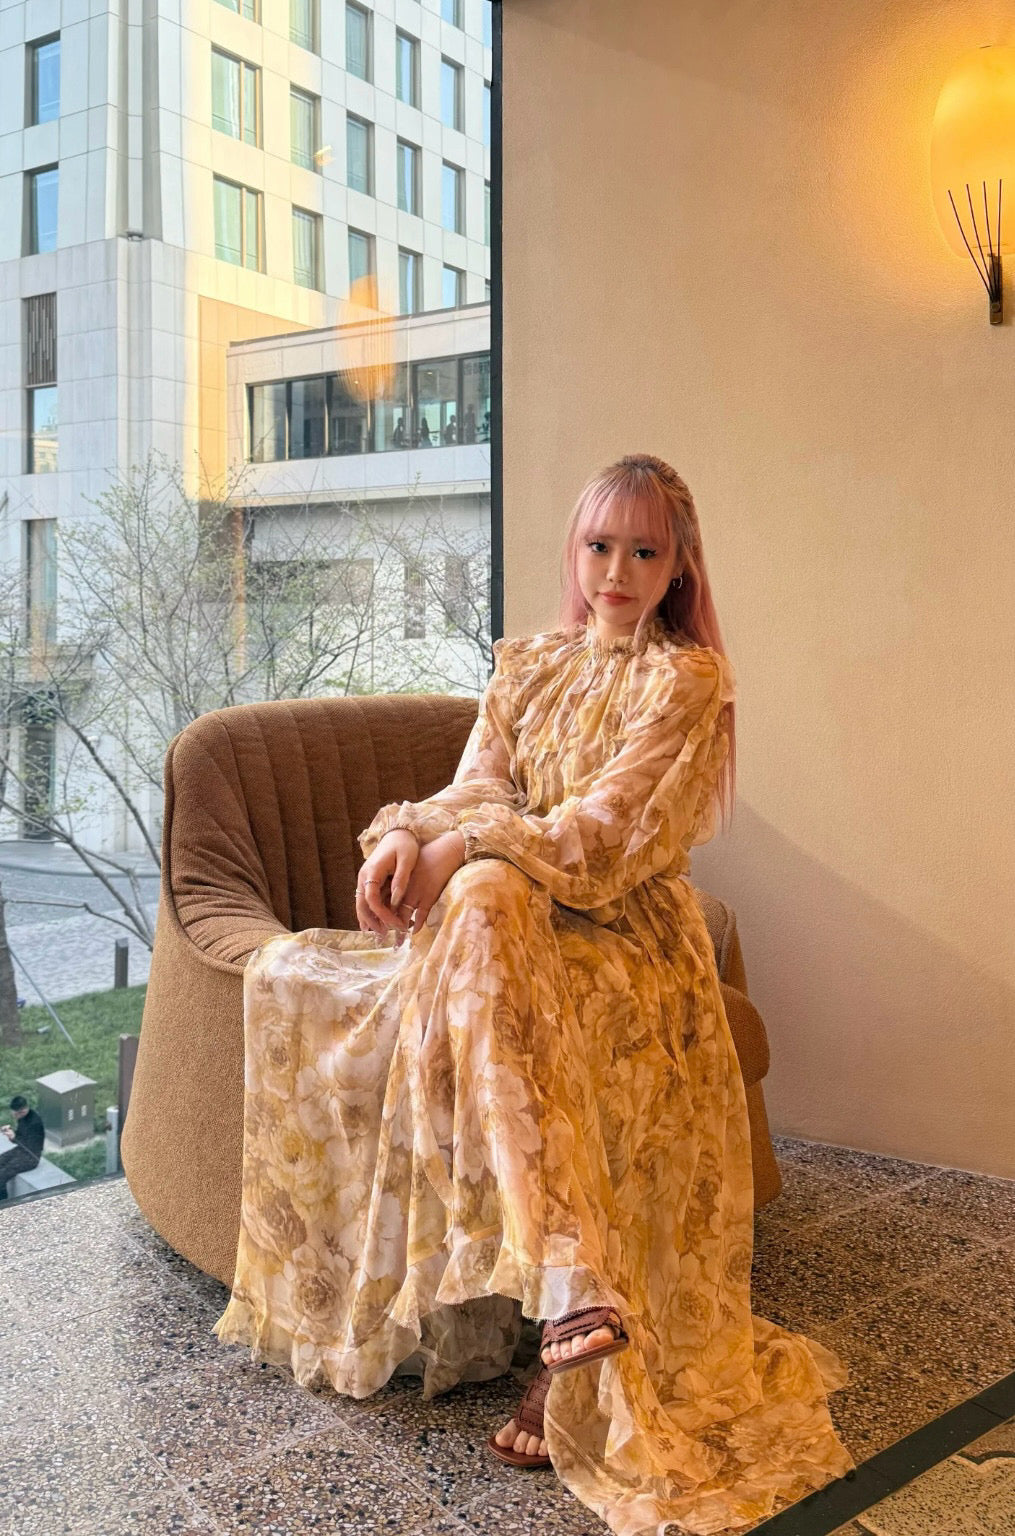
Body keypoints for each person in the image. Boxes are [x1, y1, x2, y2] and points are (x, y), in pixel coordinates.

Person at [212, 454, 856, 1534]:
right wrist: (410, 834)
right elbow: (481, 785)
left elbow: (597, 837)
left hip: (621, 931)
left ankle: (567, 1295)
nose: (616, 571)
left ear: (678, 568)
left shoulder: (684, 681)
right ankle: (570, 1292)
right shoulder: (528, 664)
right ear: (575, 550)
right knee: (474, 899)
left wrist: (462, 848)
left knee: (484, 887)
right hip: (509, 930)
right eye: (600, 546)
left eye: (643, 551)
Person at [0, 1095, 45, 1200]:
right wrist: (11, 1133)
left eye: (15, 1114)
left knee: (2, 1175)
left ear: (22, 1111)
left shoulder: (35, 1123)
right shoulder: (23, 1118)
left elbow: (29, 1146)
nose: (14, 1116)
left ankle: (4, 1202)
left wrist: (14, 1137)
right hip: (22, 1151)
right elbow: (21, 1136)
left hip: (31, 1157)